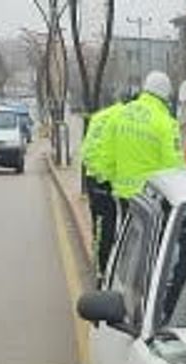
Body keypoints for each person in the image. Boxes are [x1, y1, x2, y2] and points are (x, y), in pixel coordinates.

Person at [100, 71, 183, 203]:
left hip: (121, 194)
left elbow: (106, 154)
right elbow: (173, 166)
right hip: (148, 200)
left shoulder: (119, 115)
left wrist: (113, 181)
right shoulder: (167, 123)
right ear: (166, 96)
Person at [81, 96, 128, 273]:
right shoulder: (123, 117)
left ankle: (99, 265)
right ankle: (107, 268)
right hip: (107, 177)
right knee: (114, 223)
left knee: (99, 223)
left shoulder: (99, 116)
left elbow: (86, 148)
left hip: (92, 175)